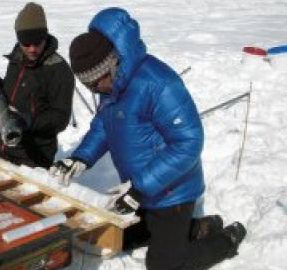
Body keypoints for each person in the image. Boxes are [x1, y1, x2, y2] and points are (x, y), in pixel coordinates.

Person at [49, 7, 246, 270]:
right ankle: (199, 227)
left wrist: (141, 187)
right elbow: (104, 126)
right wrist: (81, 158)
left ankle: (225, 240)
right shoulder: (111, 86)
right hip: (138, 191)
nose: (98, 90)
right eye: (89, 87)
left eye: (99, 81)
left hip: (172, 192)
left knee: (162, 264)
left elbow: (189, 141)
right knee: (120, 239)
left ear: (113, 62)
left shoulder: (158, 83)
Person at [0, 2, 75, 169]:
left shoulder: (58, 70)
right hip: (2, 140)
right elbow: (11, 93)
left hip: (33, 153)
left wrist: (27, 121)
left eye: (37, 43)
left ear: (45, 36)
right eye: (26, 43)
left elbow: (60, 119)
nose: (32, 49)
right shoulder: (18, 58)